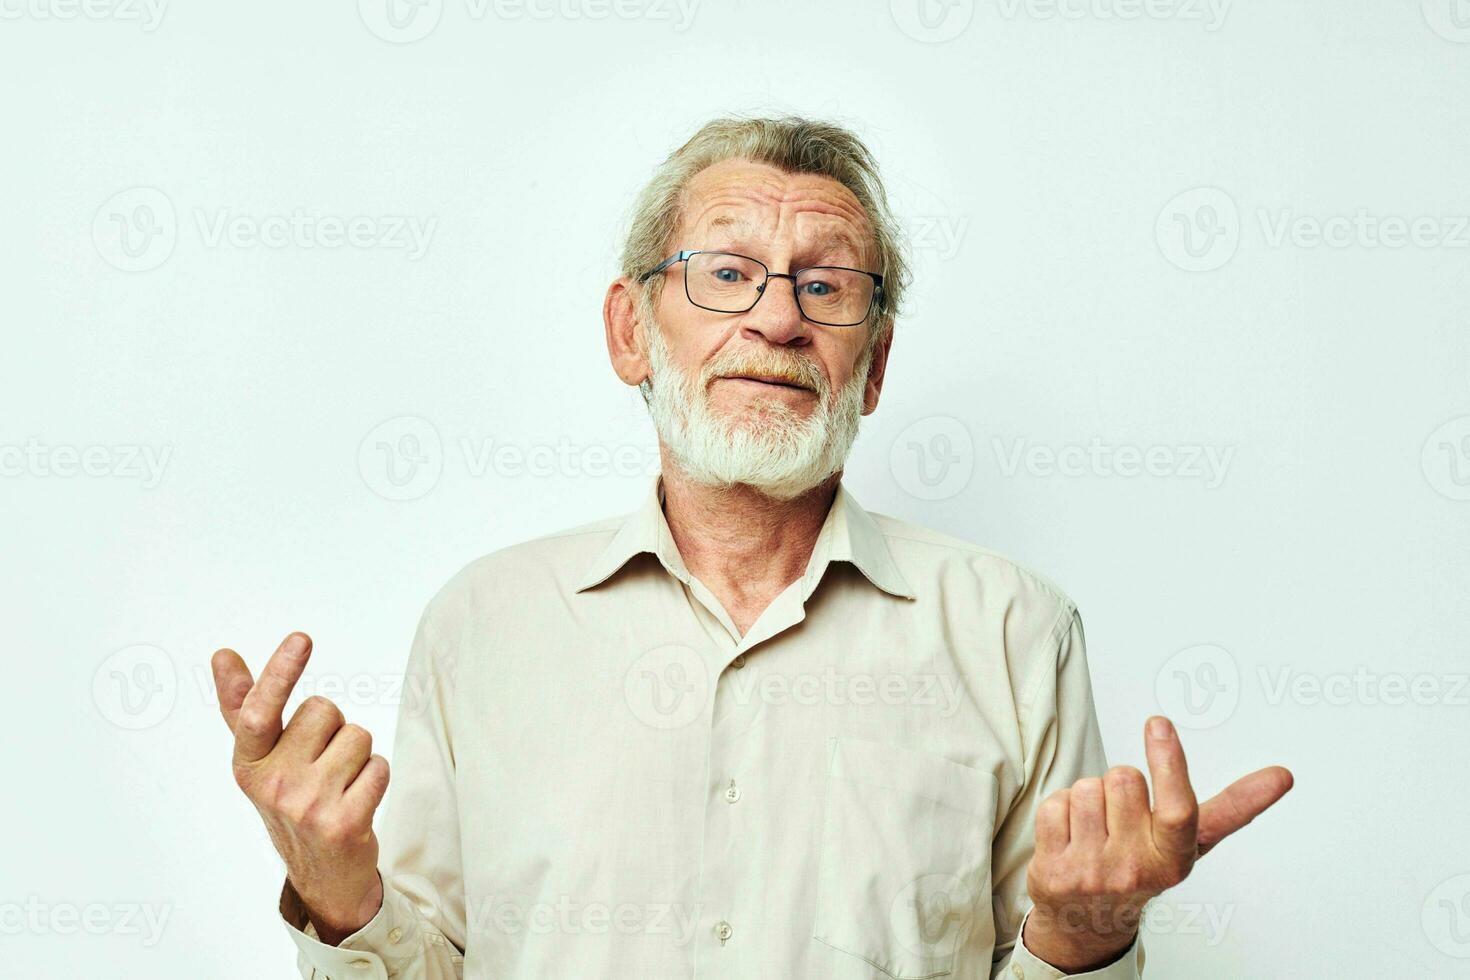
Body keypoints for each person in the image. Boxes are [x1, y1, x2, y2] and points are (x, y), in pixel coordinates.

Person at [211, 115, 1293, 979]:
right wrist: (338, 897)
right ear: (631, 331)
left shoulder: (1016, 628)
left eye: (825, 285)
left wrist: (1085, 941)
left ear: (872, 366)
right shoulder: (482, 622)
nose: (777, 319)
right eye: (726, 272)